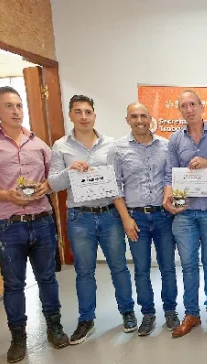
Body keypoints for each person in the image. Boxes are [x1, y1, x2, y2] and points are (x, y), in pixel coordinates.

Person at [0, 86, 69, 363]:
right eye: (9, 106)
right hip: (7, 225)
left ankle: (55, 327)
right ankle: (18, 337)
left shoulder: (39, 144)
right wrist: (5, 195)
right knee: (13, 284)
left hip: (42, 221)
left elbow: (54, 177)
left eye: (19, 105)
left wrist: (46, 187)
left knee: (48, 278)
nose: (15, 111)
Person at [49, 95, 134, 345]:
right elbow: (52, 183)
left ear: (94, 115)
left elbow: (119, 180)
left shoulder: (111, 145)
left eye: (88, 112)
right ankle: (86, 319)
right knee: (84, 271)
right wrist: (70, 171)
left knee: (119, 267)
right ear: (70, 115)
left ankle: (128, 312)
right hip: (80, 217)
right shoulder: (60, 146)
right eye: (78, 112)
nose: (84, 117)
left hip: (109, 215)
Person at [163, 90, 207, 338]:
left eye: (193, 104)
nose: (189, 109)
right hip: (184, 213)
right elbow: (169, 173)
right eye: (184, 106)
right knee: (189, 265)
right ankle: (191, 313)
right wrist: (167, 197)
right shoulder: (175, 140)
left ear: (202, 107)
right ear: (179, 110)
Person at [110, 103, 179, 336]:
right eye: (134, 116)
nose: (139, 120)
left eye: (143, 116)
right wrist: (125, 219)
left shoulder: (165, 146)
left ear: (151, 118)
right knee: (141, 269)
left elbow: (171, 178)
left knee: (168, 267)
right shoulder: (118, 148)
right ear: (127, 120)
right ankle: (148, 314)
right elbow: (115, 186)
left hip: (163, 216)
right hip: (135, 217)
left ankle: (170, 310)